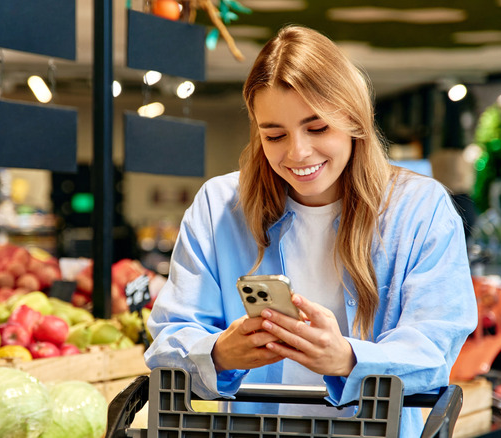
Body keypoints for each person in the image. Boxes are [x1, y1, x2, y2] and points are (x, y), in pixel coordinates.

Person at [144, 25, 478, 436]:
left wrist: (346, 358)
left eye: (317, 128)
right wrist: (219, 353)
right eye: (274, 135)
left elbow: (434, 350)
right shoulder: (219, 206)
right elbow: (167, 341)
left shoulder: (420, 210)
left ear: (353, 119)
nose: (297, 152)